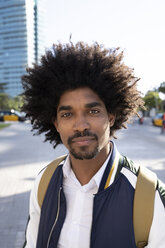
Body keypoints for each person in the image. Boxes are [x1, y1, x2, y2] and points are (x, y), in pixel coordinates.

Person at [22, 42, 165, 248]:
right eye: (67, 114)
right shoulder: (45, 180)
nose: (81, 125)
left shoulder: (148, 194)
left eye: (93, 111)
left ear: (112, 116)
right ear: (56, 123)